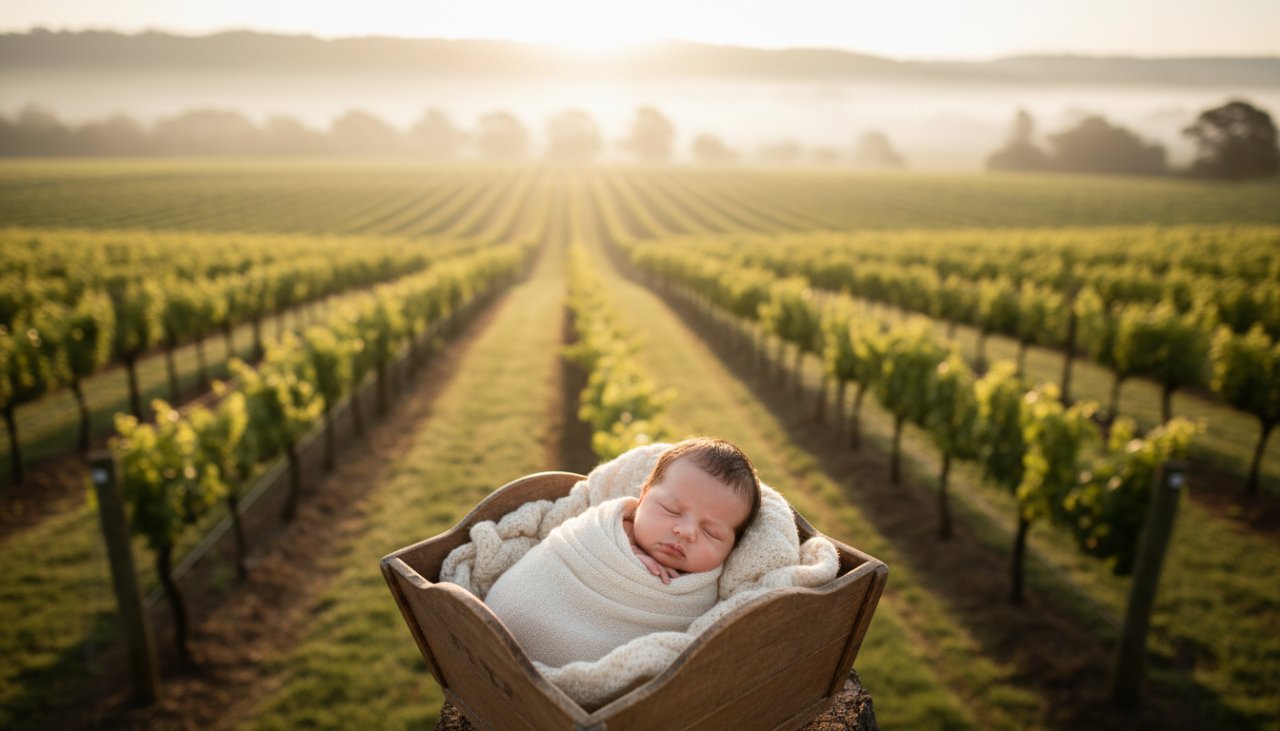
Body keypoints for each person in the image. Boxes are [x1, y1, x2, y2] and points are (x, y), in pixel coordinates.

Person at [482, 437, 762, 667]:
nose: (686, 531)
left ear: (733, 547)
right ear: (642, 498)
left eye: (711, 532)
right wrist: (625, 547)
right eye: (671, 510)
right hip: (513, 611)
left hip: (579, 669)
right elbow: (568, 548)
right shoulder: (603, 527)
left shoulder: (702, 598)